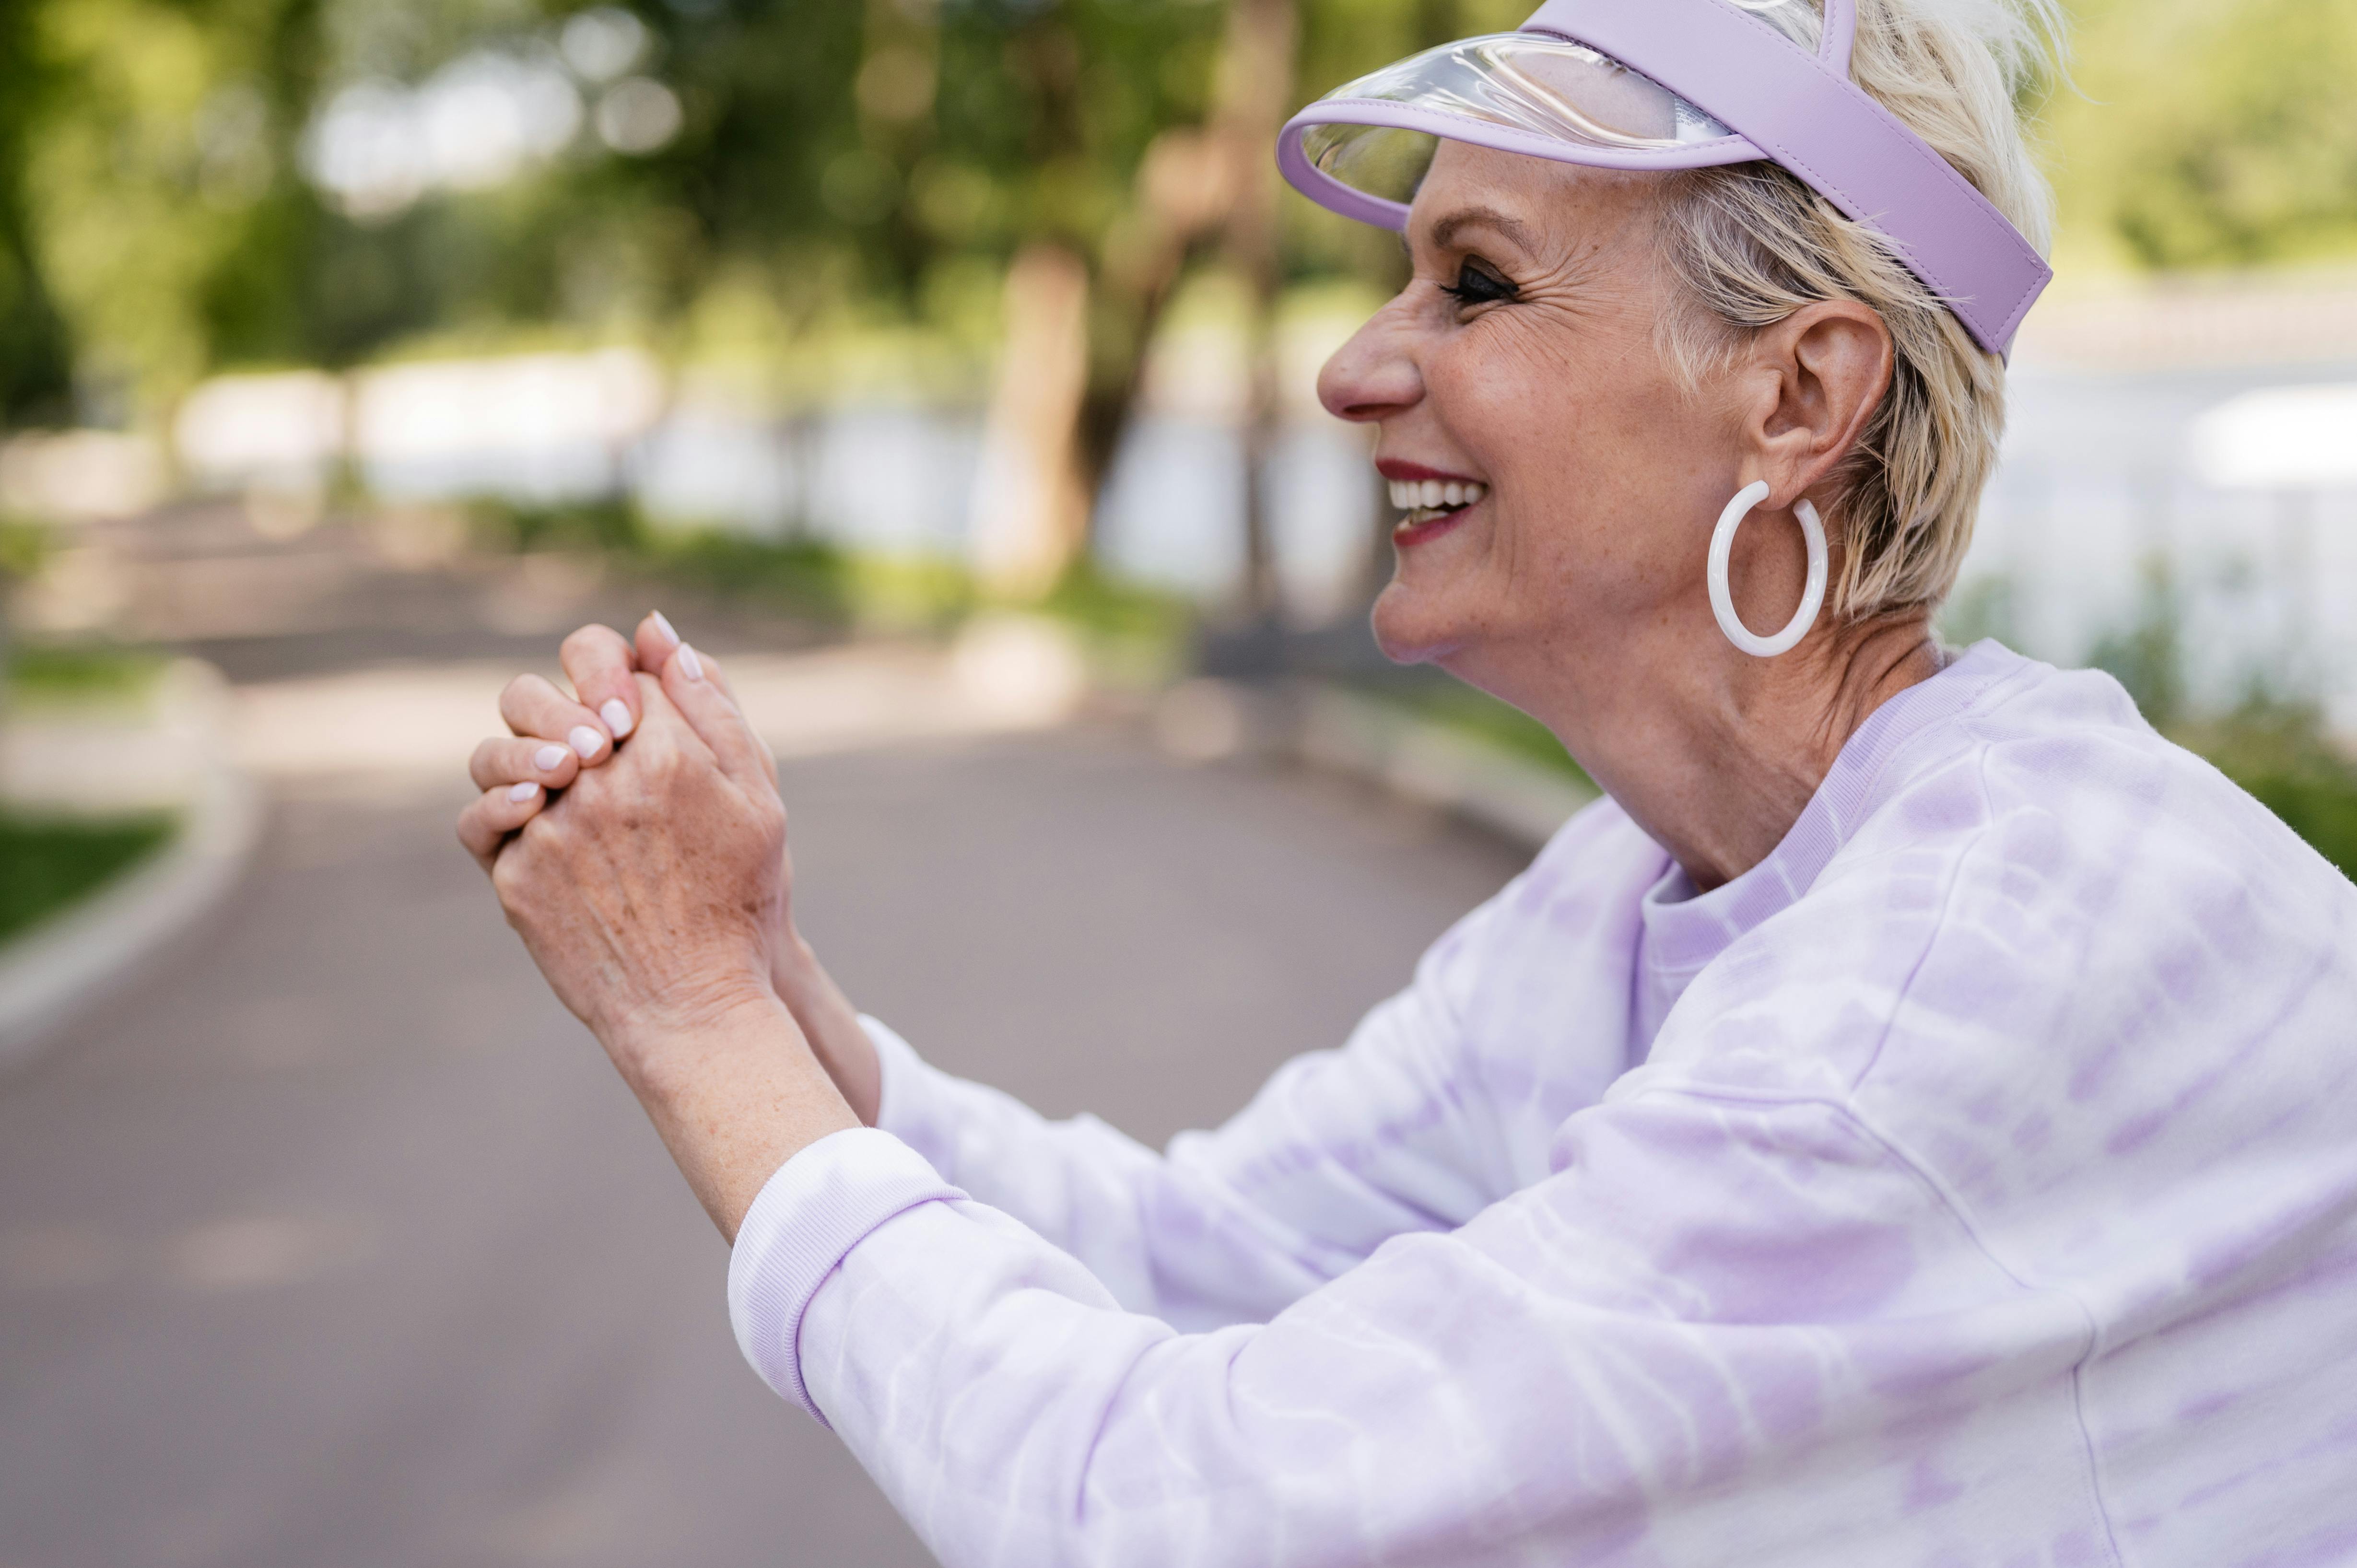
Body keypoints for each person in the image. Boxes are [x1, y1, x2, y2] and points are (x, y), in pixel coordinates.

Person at [456, 0, 2357, 1560]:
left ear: (1794, 395)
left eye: (1475, 286)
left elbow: (1180, 1513)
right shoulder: (1630, 896)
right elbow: (1183, 1260)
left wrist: (688, 1014)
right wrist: (762, 963)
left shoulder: (1972, 955)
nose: (1353, 368)